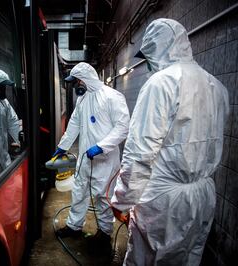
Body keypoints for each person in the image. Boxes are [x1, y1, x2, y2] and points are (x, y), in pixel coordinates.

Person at [111, 18, 229, 265]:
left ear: (160, 47)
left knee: (147, 259)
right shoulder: (216, 86)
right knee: (189, 257)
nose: (150, 61)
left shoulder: (162, 82)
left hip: (164, 201)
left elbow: (140, 153)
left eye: (150, 53)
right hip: (203, 195)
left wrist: (122, 200)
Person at [53, 62, 130, 251]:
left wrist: (101, 146)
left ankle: (104, 233)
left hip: (104, 160)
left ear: (86, 79)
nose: (76, 84)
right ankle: (74, 226)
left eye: (78, 80)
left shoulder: (113, 97)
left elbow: (123, 127)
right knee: (79, 192)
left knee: (103, 197)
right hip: (85, 159)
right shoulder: (83, 99)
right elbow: (74, 125)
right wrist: (63, 146)